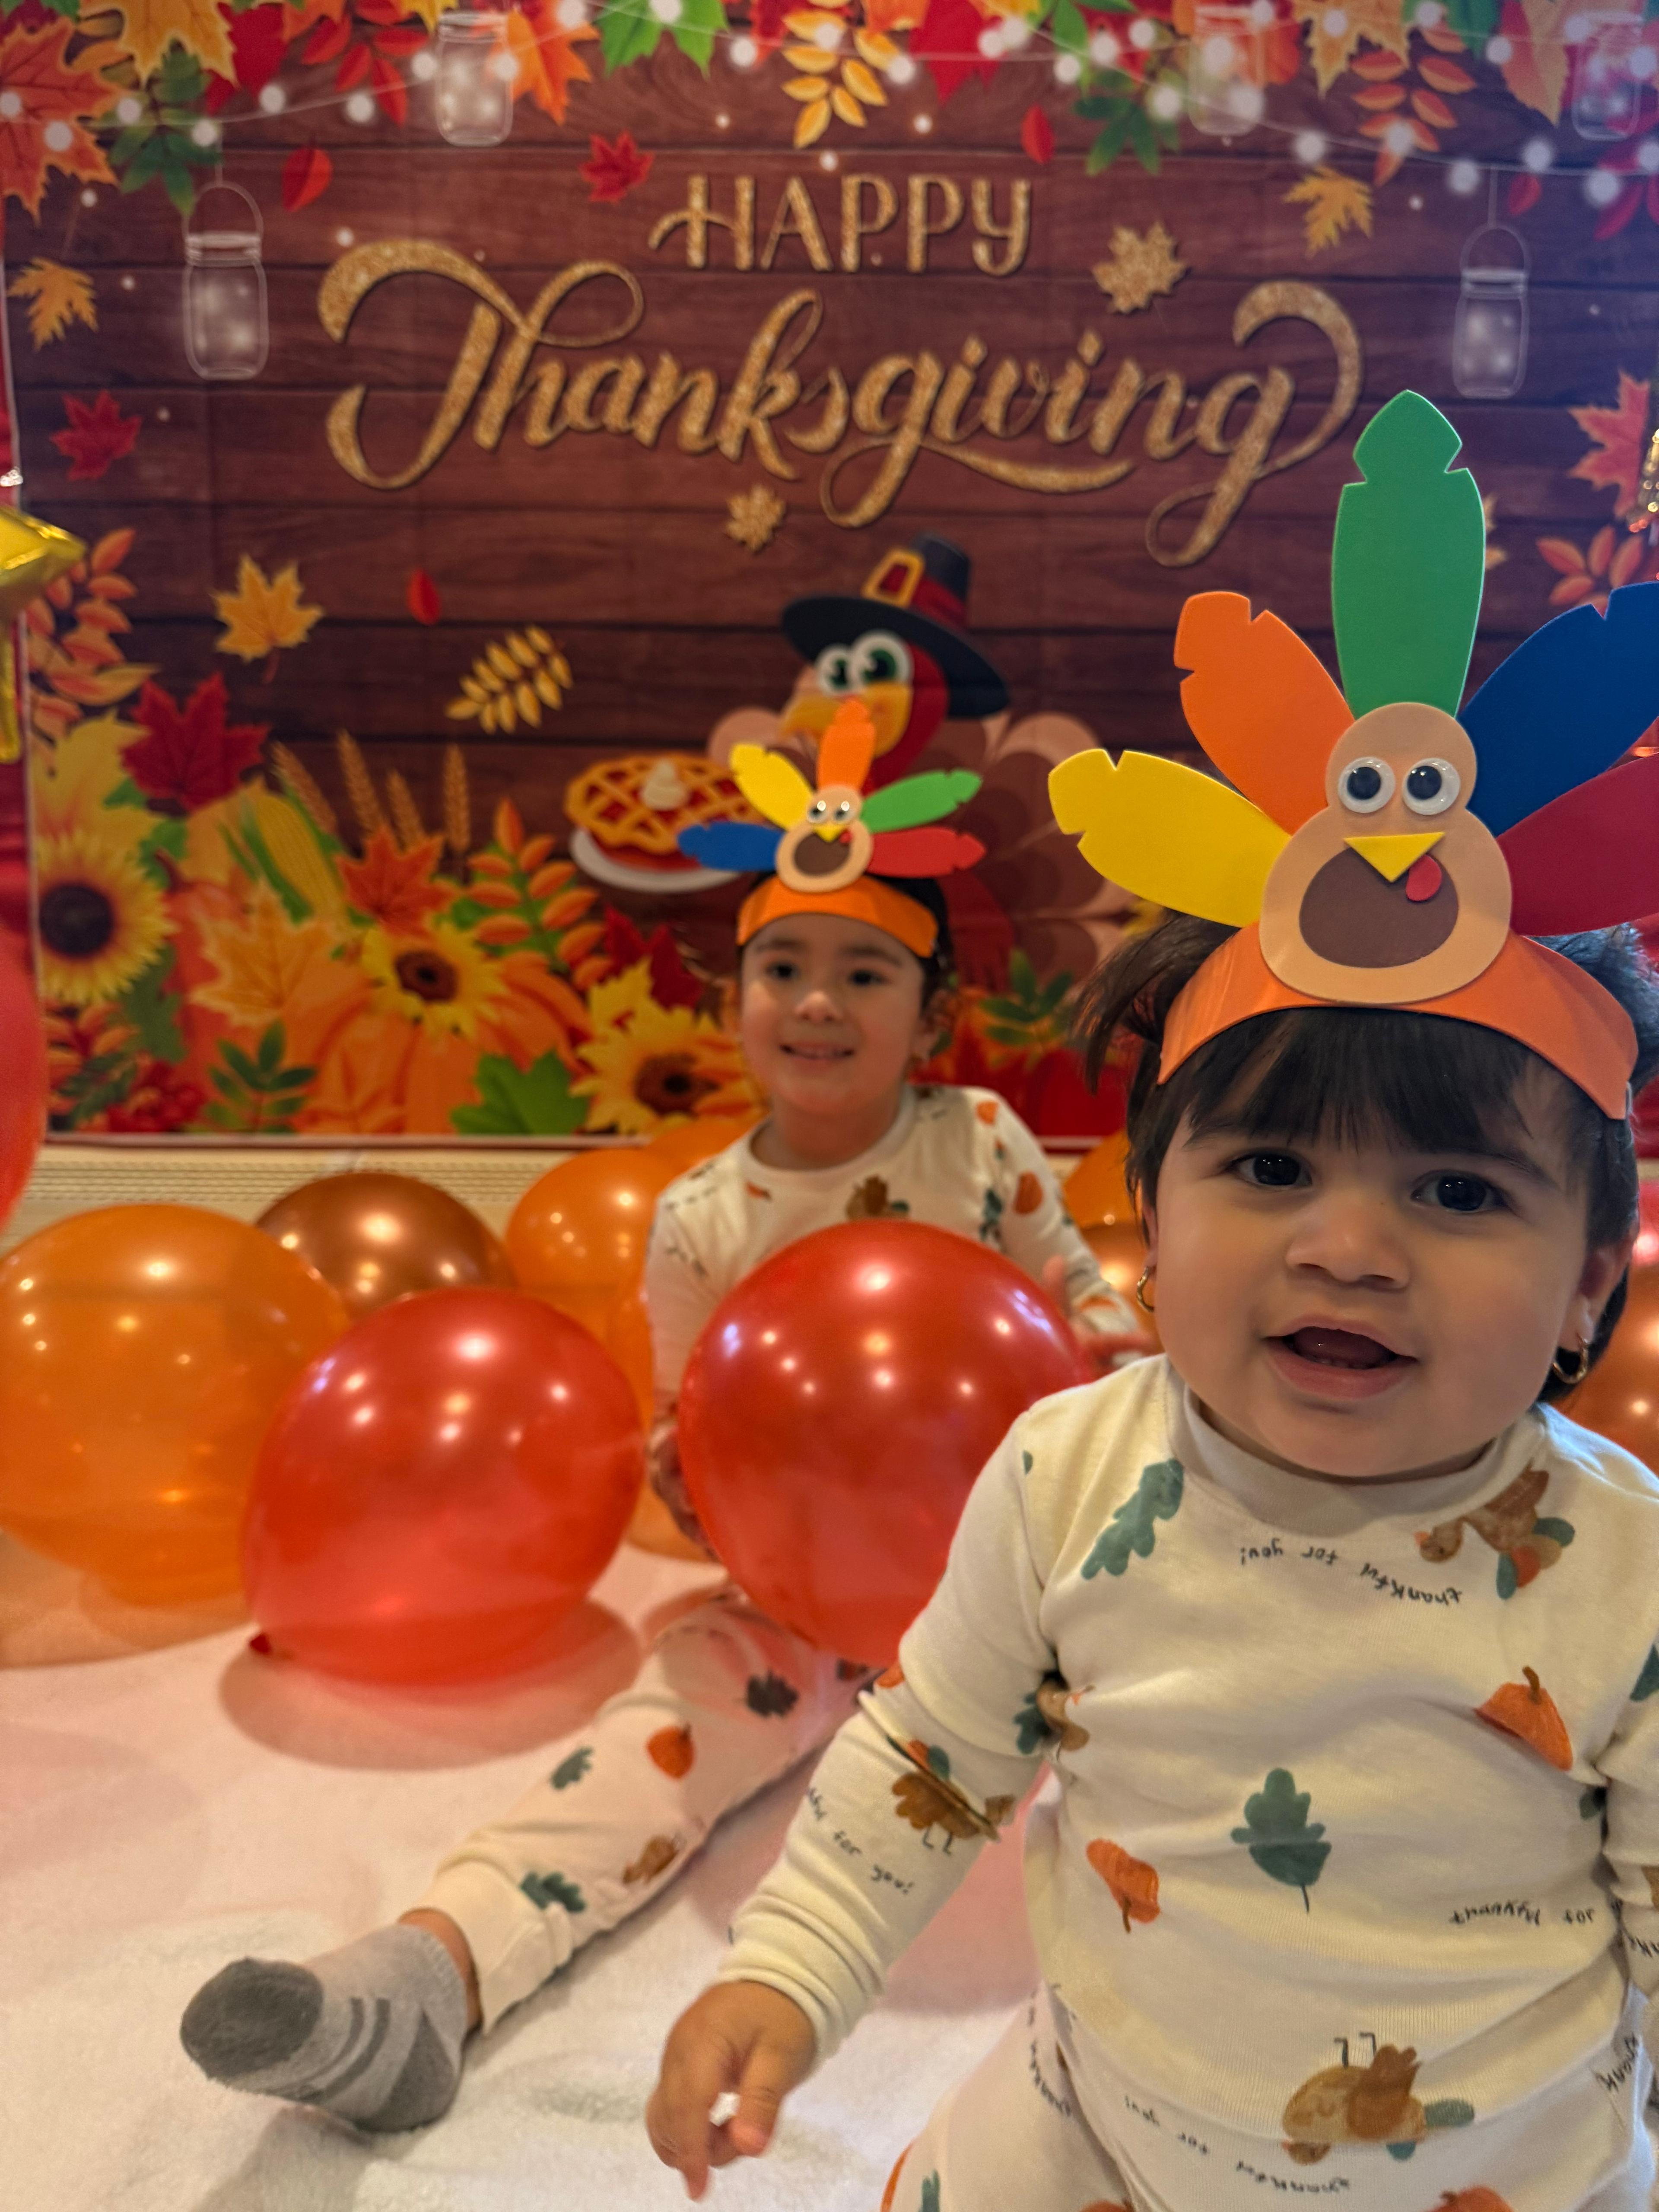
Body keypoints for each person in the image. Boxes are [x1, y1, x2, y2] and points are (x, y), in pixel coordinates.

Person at [644, 394, 1659, 2211]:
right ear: (1142, 1215)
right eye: (1269, 1171)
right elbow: (931, 1755)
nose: (1349, 1247)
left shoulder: (1628, 1573)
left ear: (1596, 1266)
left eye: (1456, 1192)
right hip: (1103, 2119)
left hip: (1496, 2177)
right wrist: (785, 1963)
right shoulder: (1067, 1473)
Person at [178, 702, 1138, 2135]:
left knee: (1198, 1736)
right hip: (800, 1612)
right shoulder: (699, 1221)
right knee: (644, 1754)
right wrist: (690, 1478)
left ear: (931, 1015)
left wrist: (1123, 1402)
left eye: (865, 972)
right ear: (736, 995)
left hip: (1021, 1592)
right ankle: (425, 1979)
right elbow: (694, 1433)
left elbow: (1079, 1313)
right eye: (782, 968)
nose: (817, 1002)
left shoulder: (981, 1144)